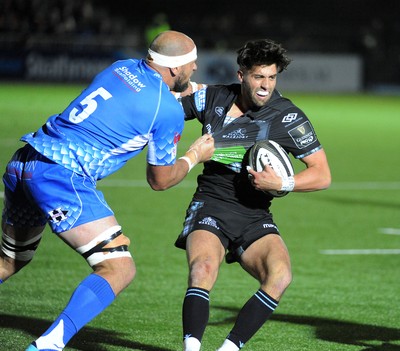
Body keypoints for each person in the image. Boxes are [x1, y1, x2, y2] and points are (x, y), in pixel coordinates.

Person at [0, 30, 214, 351]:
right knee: (118, 268)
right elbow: (160, 180)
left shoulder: (121, 67)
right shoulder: (165, 112)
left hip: (26, 160)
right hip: (62, 176)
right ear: (173, 69)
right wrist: (194, 155)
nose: (195, 68)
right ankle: (47, 346)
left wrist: (192, 92)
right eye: (191, 64)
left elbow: (144, 95)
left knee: (9, 260)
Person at [174, 39, 331, 351]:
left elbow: (322, 173)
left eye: (272, 78)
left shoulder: (287, 116)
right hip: (212, 203)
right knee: (203, 268)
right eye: (259, 77)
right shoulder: (214, 97)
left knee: (281, 275)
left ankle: (229, 348)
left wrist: (282, 184)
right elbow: (166, 110)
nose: (265, 86)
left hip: (254, 213)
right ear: (241, 75)